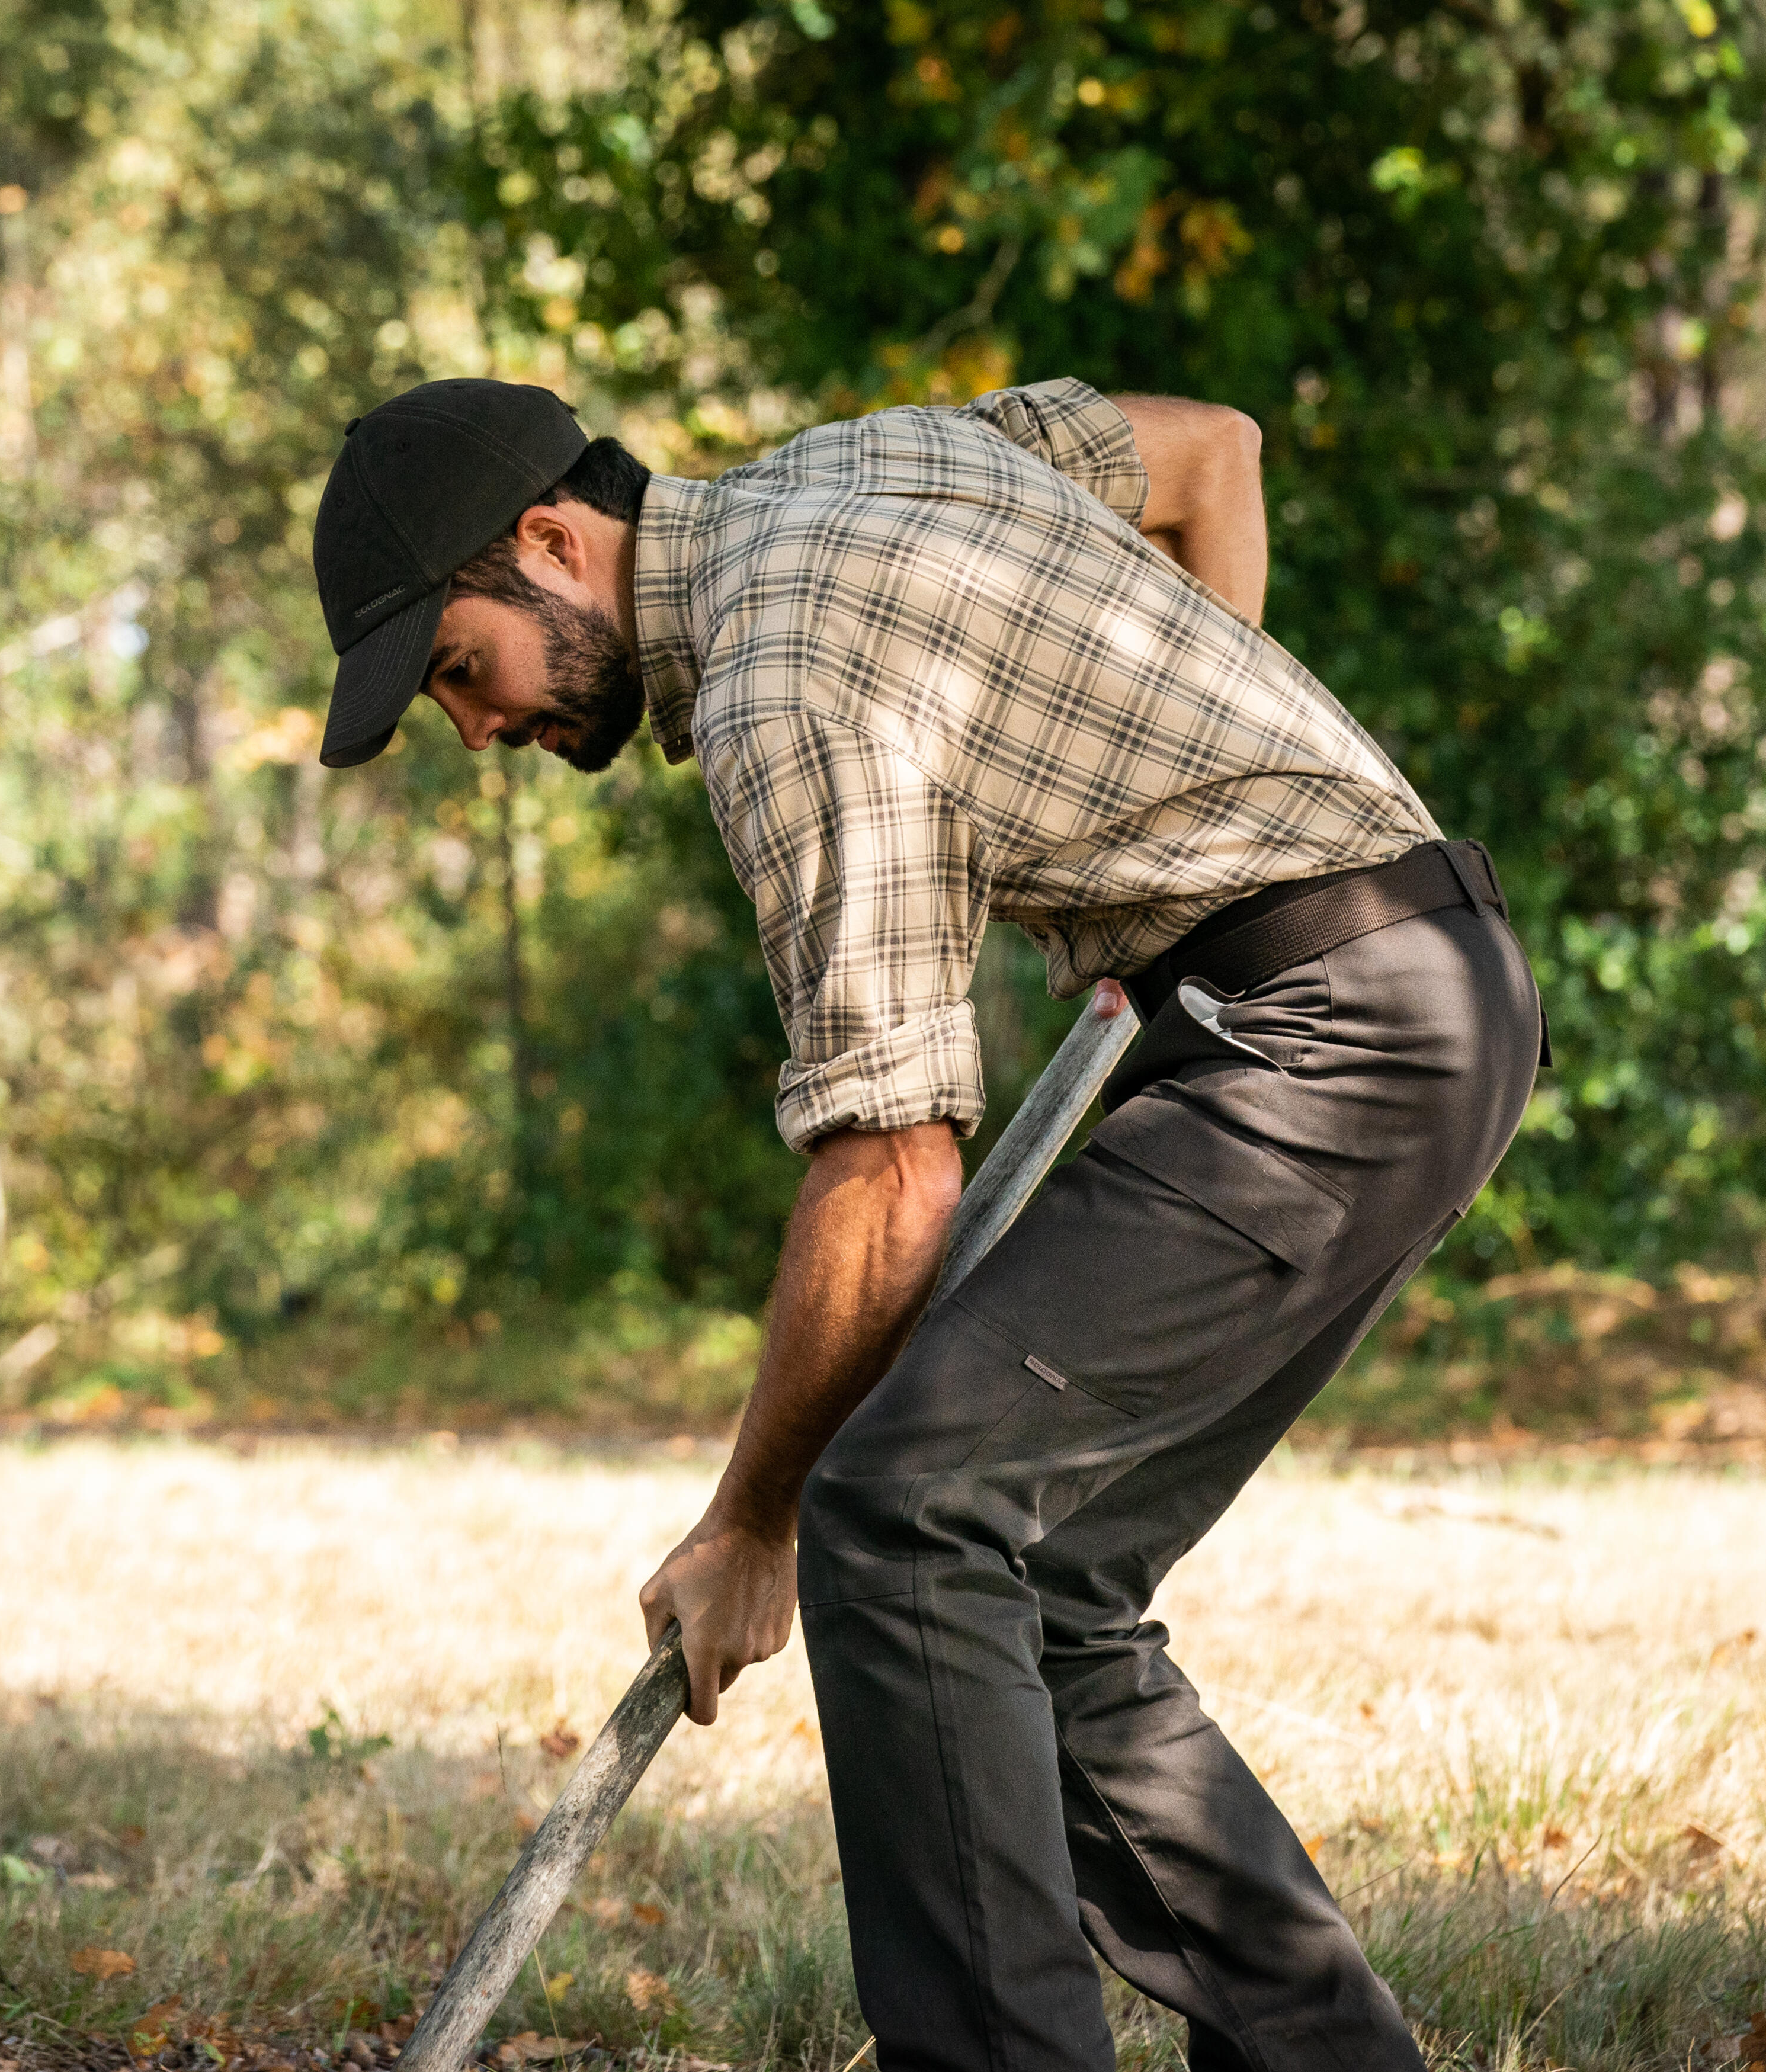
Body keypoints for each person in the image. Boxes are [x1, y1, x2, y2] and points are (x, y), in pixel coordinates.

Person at [308, 376, 1541, 2072]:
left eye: (462, 669)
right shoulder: (878, 458)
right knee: (1042, 1584)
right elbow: (1210, 458)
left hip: (1330, 1026)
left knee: (898, 1512)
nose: (477, 730)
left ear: (550, 544)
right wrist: (1182, 765)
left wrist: (756, 1518)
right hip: (1405, 983)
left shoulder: (775, 677)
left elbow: (893, 1165)